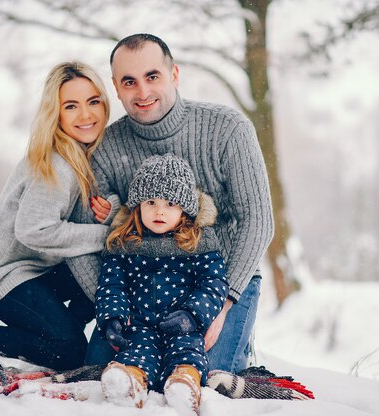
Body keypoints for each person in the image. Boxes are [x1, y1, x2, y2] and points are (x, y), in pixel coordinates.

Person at [69, 33, 274, 374]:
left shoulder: (227, 128)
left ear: (174, 75)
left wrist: (221, 306)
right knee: (100, 376)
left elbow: (258, 221)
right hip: (138, 285)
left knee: (203, 376)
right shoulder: (103, 148)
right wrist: (115, 312)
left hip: (215, 281)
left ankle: (237, 340)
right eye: (129, 82)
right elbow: (80, 236)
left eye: (153, 77)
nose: (143, 92)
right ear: (116, 89)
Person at [0, 61, 115, 370]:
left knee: (107, 275)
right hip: (3, 274)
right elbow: (34, 230)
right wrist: (104, 235)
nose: (86, 115)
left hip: (41, 268)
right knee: (69, 352)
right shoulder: (57, 163)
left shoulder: (83, 151)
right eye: (71, 106)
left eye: (93, 101)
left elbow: (101, 195)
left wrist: (112, 212)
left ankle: (51, 331)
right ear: (55, 113)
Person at [96, 154, 229, 413]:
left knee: (187, 351)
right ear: (138, 206)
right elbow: (112, 285)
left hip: (182, 323)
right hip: (140, 323)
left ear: (184, 209)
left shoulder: (198, 244)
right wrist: (112, 317)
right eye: (151, 202)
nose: (159, 211)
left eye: (170, 203)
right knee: (134, 352)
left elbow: (213, 283)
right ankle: (130, 379)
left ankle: (185, 381)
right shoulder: (124, 245)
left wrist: (192, 315)